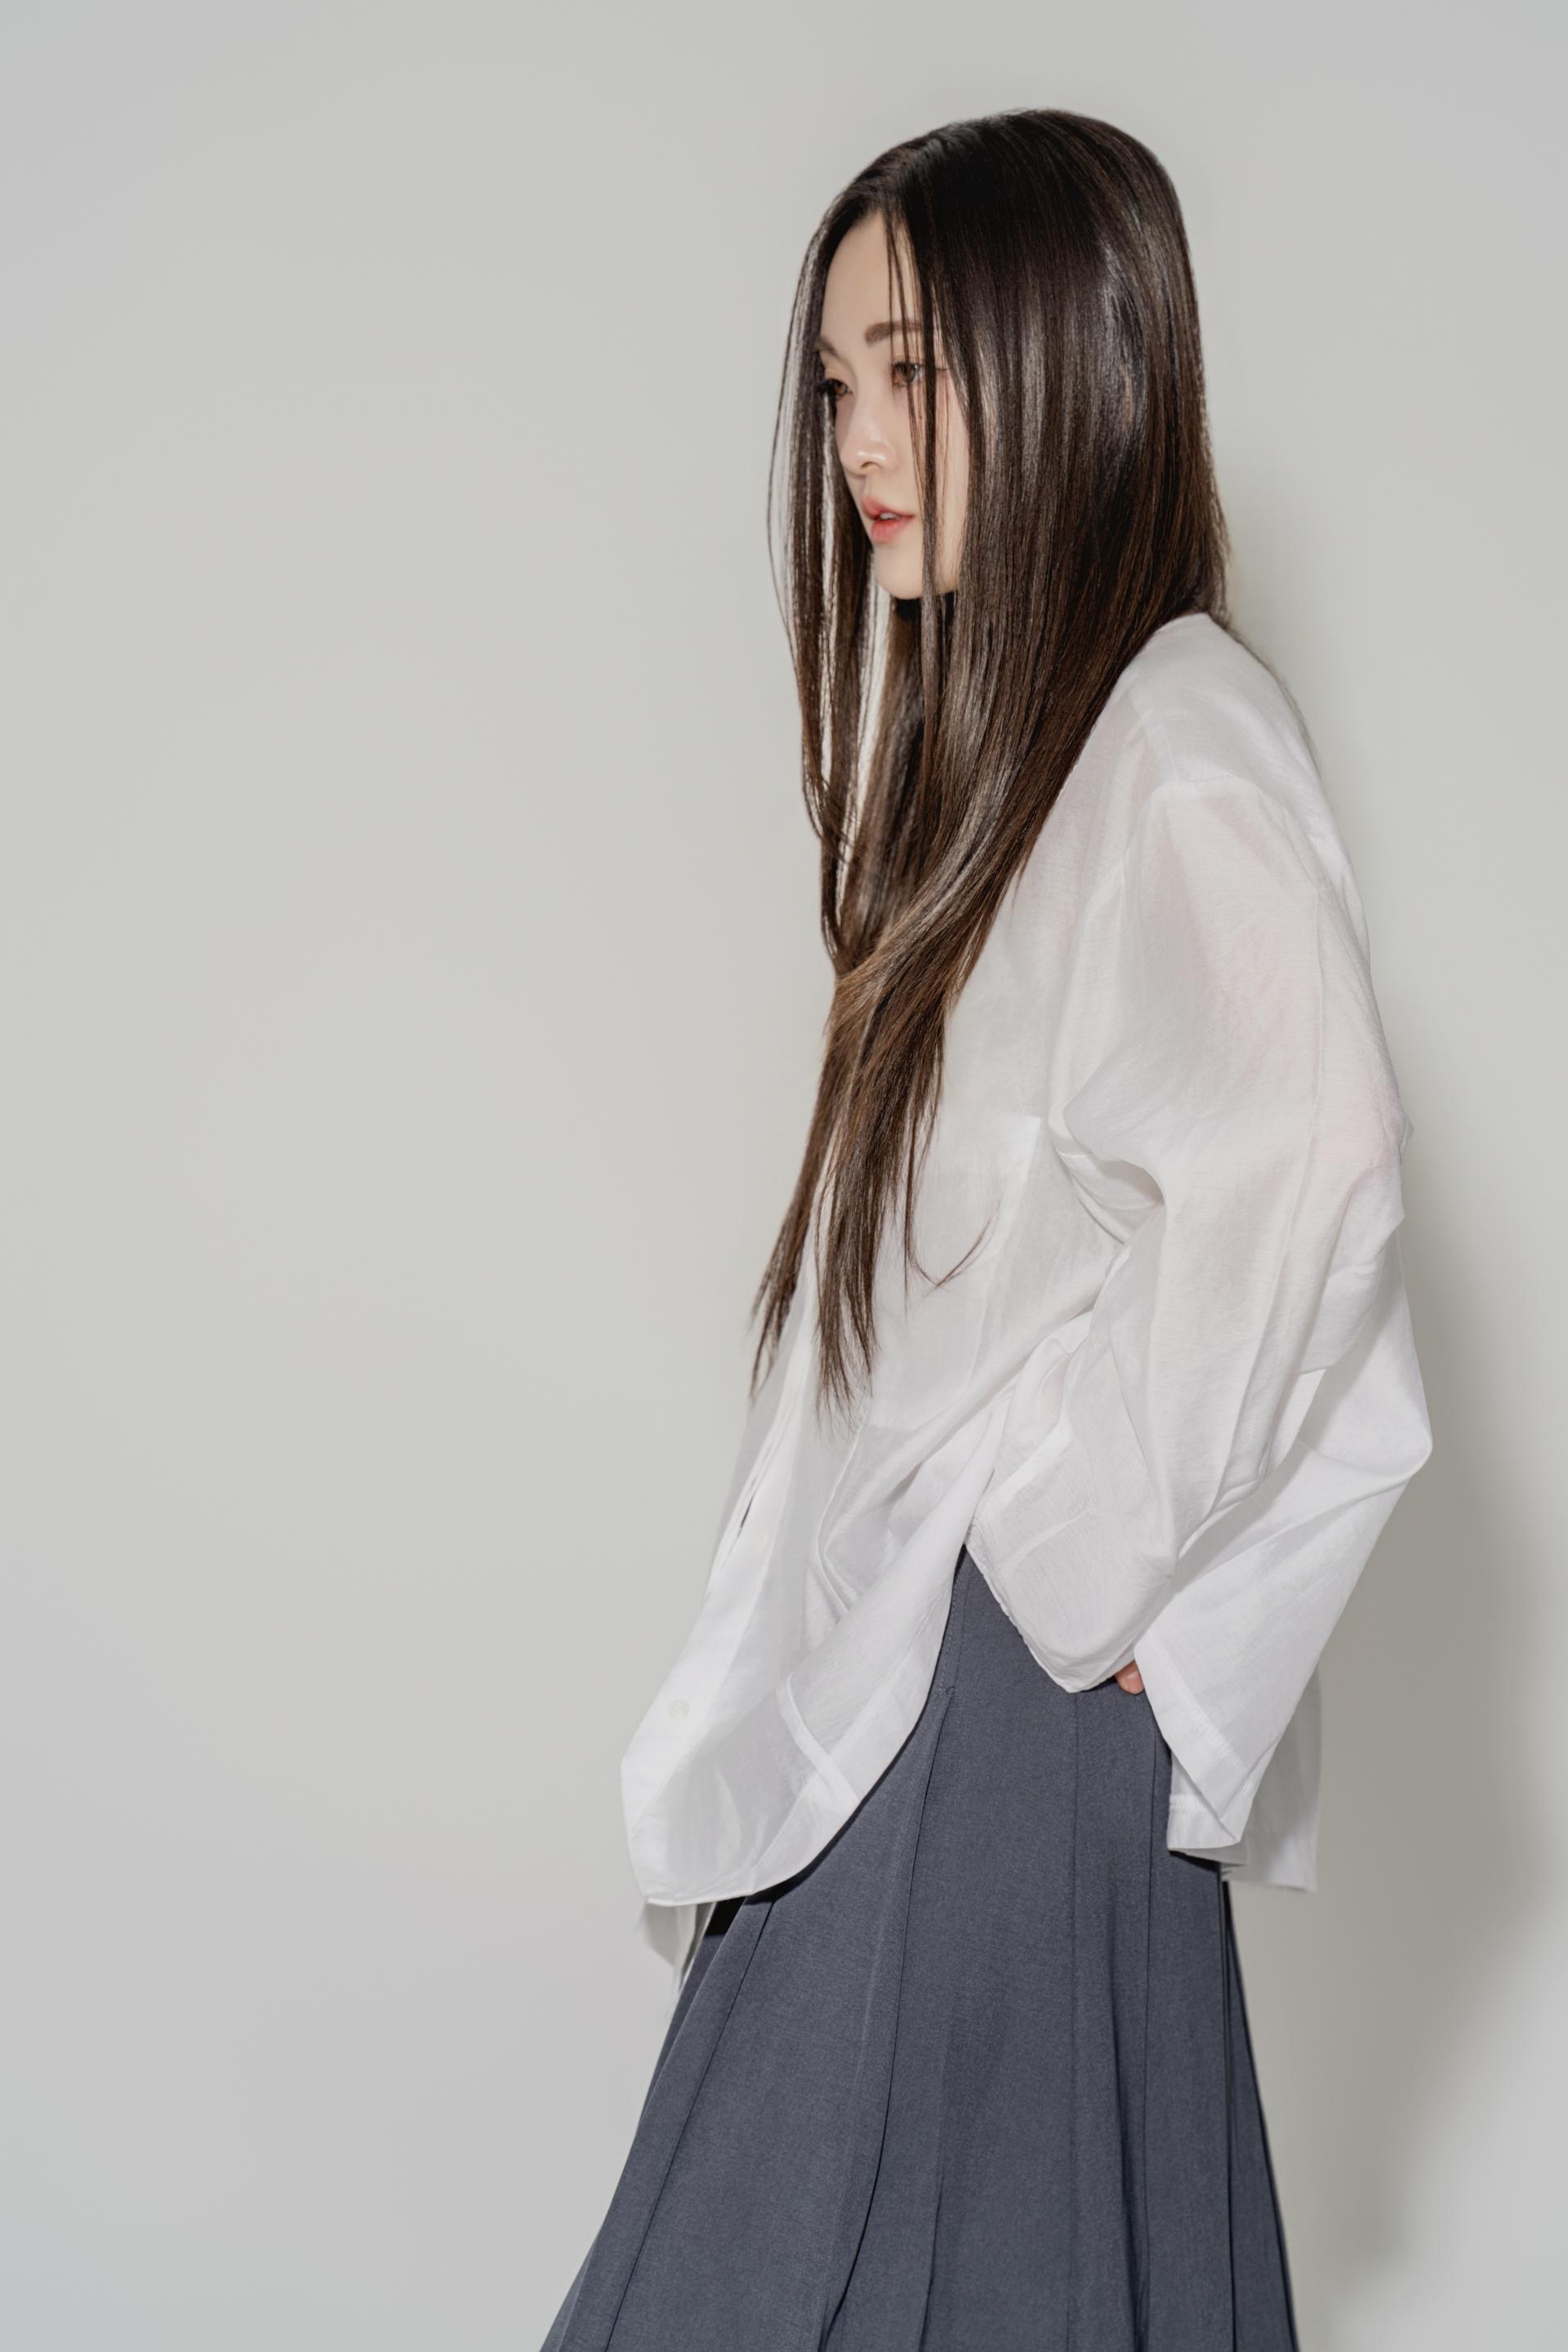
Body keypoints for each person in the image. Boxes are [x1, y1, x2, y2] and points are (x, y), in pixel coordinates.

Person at [541, 106, 1432, 2351]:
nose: (860, 440)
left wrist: (1071, 1552)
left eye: (915, 371)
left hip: (1000, 1700)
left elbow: (1320, 1152)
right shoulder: (1040, 753)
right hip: (963, 1689)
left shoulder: (1175, 735)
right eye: (838, 382)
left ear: (1074, 357)